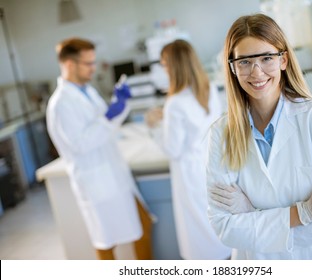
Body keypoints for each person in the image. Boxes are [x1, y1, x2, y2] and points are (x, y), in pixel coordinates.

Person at [206, 14, 312, 260]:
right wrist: (304, 213)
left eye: (267, 58)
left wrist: (252, 214)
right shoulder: (221, 134)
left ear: (283, 60)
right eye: (245, 62)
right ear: (232, 68)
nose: (256, 72)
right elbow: (225, 228)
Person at [46, 37, 153, 260]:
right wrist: (108, 117)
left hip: (114, 175)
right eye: (88, 63)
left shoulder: (88, 91)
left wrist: (121, 105)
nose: (94, 68)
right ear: (69, 64)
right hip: (96, 182)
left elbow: (108, 125)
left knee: (142, 227)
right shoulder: (61, 103)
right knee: (106, 243)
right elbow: (81, 144)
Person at [145, 39, 231, 260]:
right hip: (211, 167)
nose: (163, 70)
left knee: (199, 238)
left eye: (164, 64)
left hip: (189, 175)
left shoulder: (175, 102)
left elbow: (172, 149)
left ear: (173, 66)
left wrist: (154, 126)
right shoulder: (209, 89)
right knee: (215, 228)